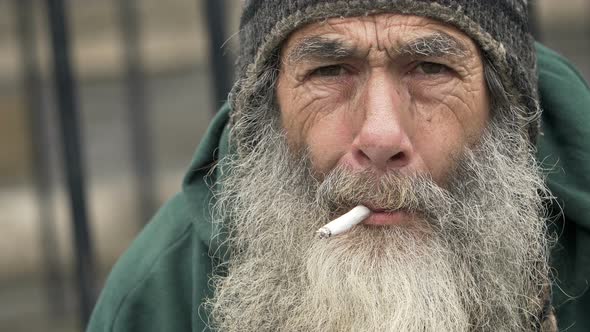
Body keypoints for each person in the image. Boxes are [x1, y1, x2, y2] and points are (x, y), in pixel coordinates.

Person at [87, 1, 590, 331]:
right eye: (329, 70)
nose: (379, 136)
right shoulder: (160, 295)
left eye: (431, 68)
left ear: (505, 107)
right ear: (267, 109)